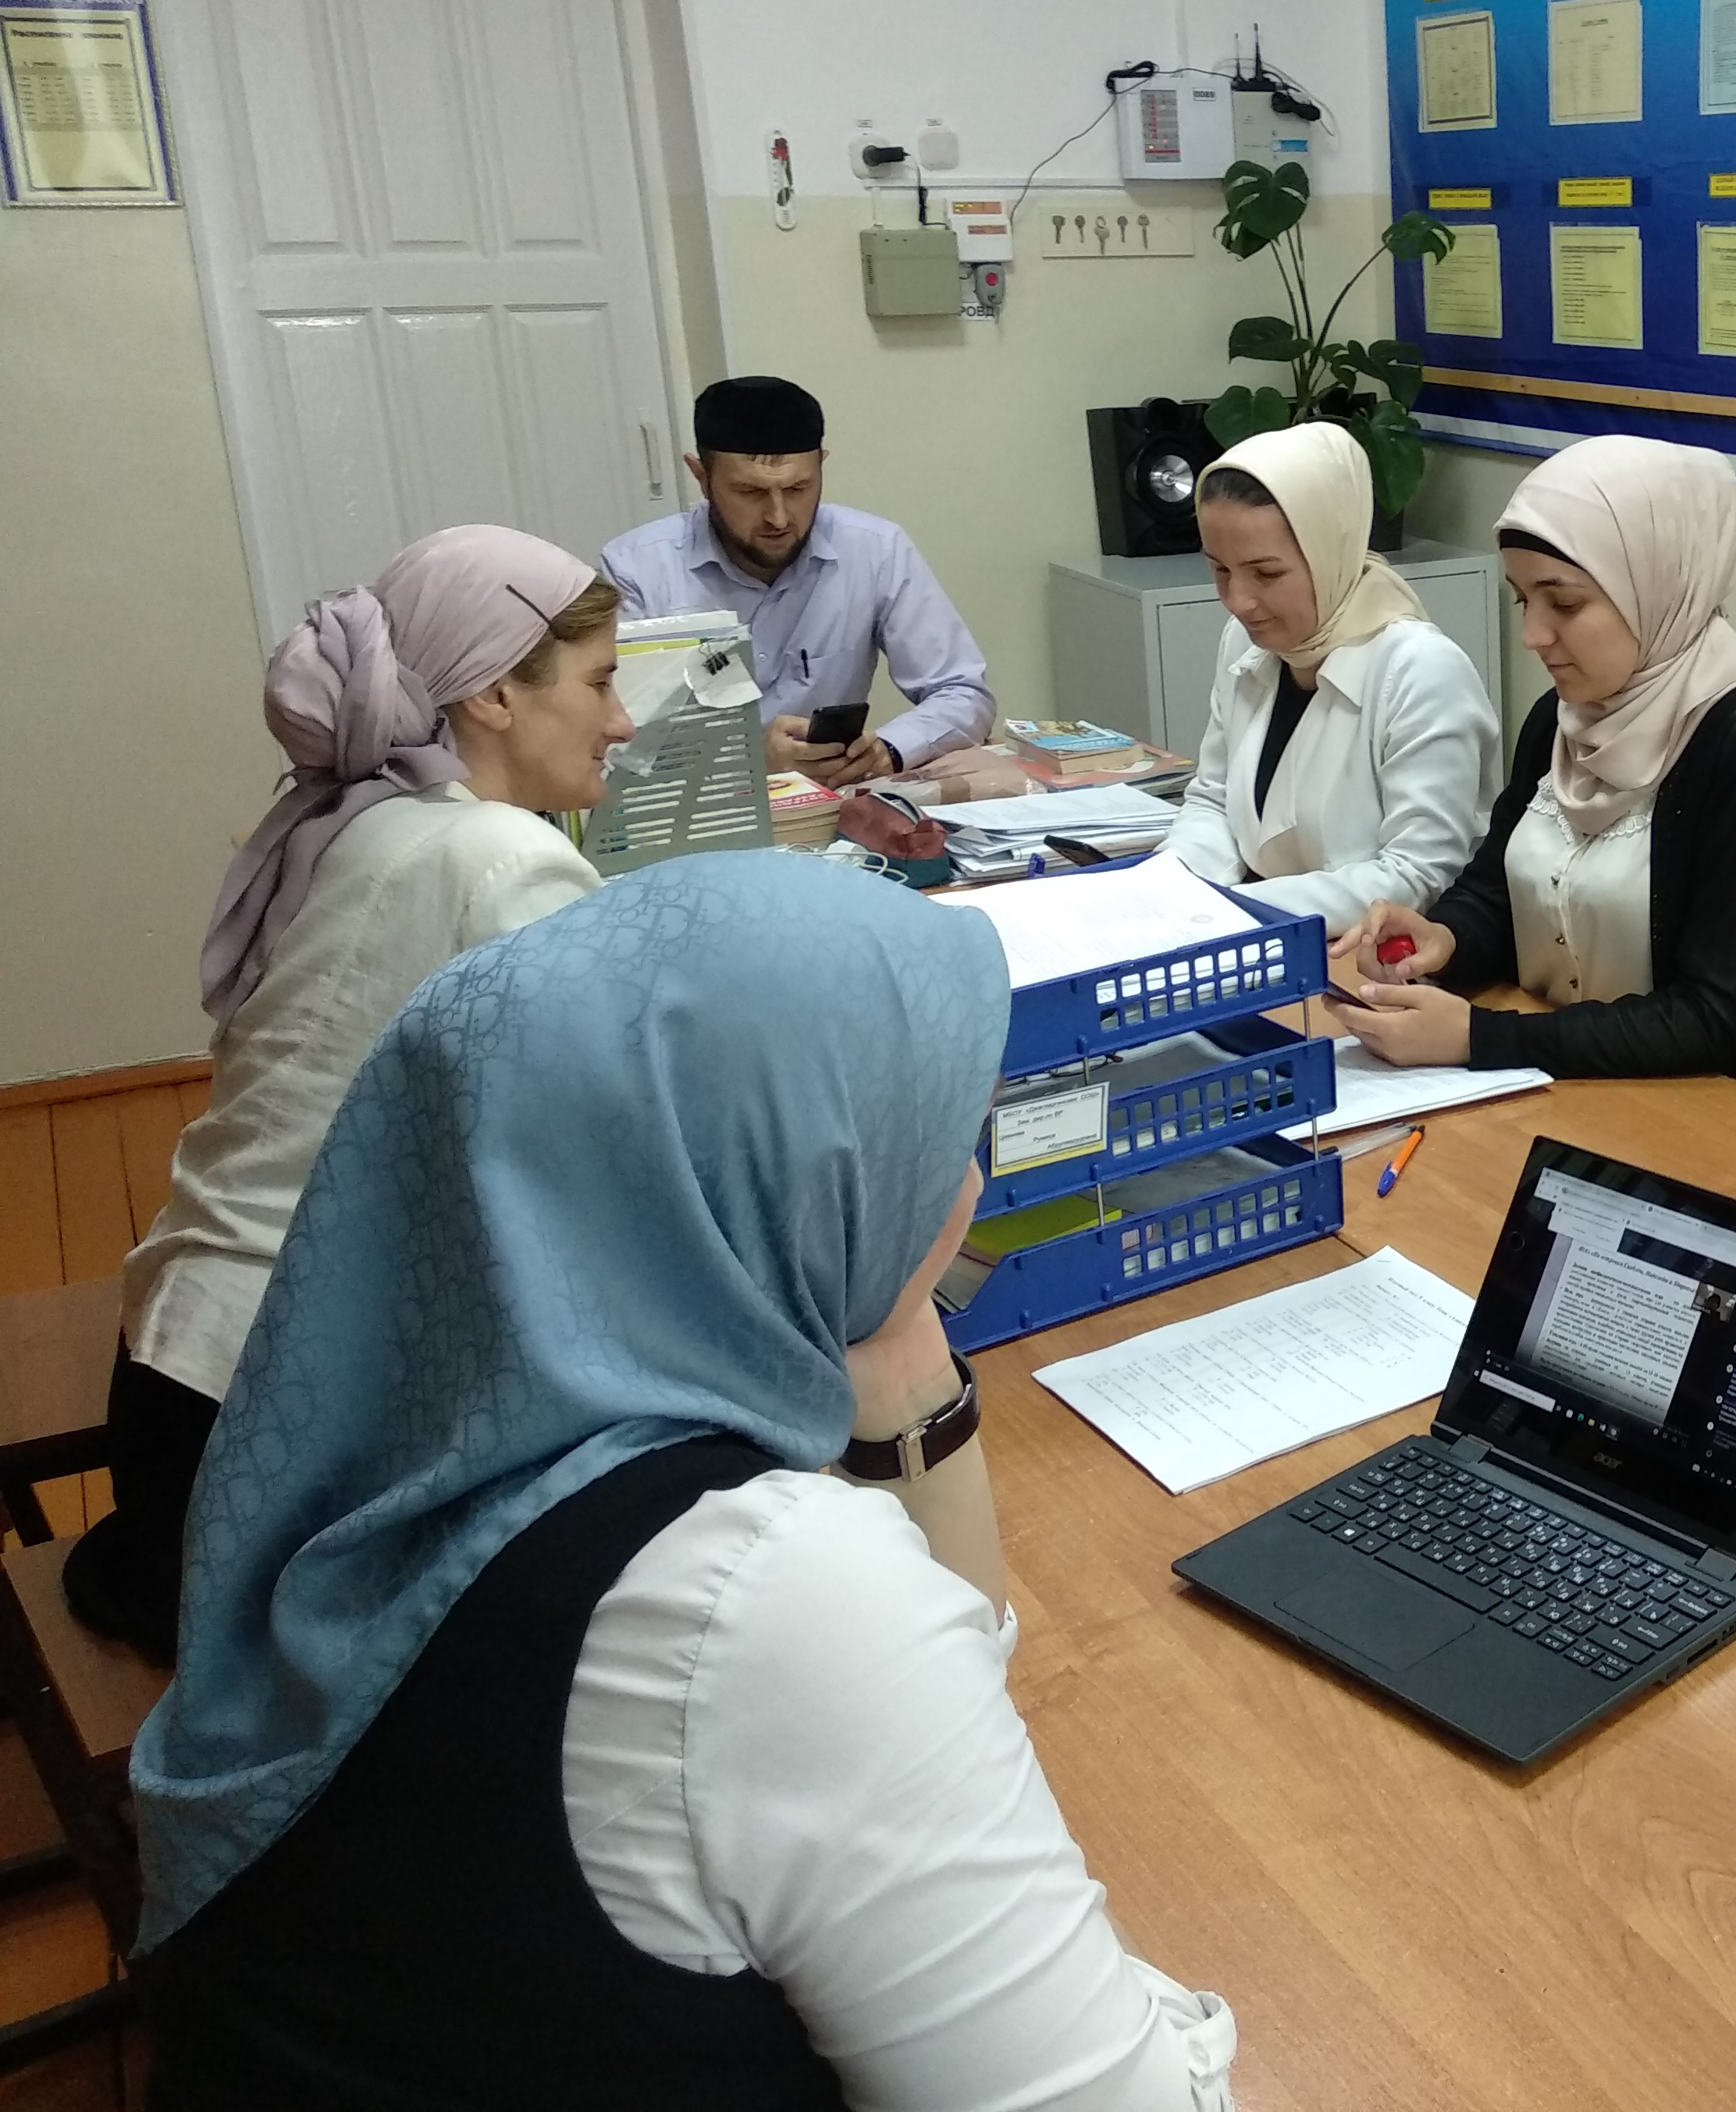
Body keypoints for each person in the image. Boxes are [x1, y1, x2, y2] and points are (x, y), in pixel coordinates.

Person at [133, 854, 1238, 2110]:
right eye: (938, 1134)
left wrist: (899, 1359)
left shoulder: (399, 1409)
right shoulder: (765, 1596)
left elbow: (952, 1669)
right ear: (805, 1170)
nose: (967, 1182)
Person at [64, 528, 630, 1665]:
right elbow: (606, 1142)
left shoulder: (356, 823)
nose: (622, 722)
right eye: (601, 682)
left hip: (181, 1386)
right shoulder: (498, 859)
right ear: (493, 697)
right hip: (275, 1443)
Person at [1329, 436, 1736, 1131]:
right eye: (1523, 600)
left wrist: (1479, 1038)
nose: (1533, 635)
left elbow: (1714, 1016)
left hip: (1727, 1124)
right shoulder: (1563, 717)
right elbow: (1497, 892)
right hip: (1574, 1088)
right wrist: (1445, 936)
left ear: (1655, 586)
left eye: (1565, 604)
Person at [1159, 421, 1496, 923]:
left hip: (1369, 951)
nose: (1238, 601)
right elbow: (1213, 801)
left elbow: (1418, 875)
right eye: (1220, 569)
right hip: (1260, 928)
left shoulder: (1420, 670)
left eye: (1266, 573)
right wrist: (1165, 888)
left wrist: (1230, 913)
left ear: (1328, 553)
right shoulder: (1246, 640)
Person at [601, 375, 994, 786]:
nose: (779, 518)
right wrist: (747, 760)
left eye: (798, 488)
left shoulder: (876, 550)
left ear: (821, 464)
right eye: (750, 492)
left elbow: (964, 691)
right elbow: (610, 742)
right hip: (700, 803)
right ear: (701, 477)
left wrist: (889, 750)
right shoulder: (637, 569)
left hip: (834, 799)